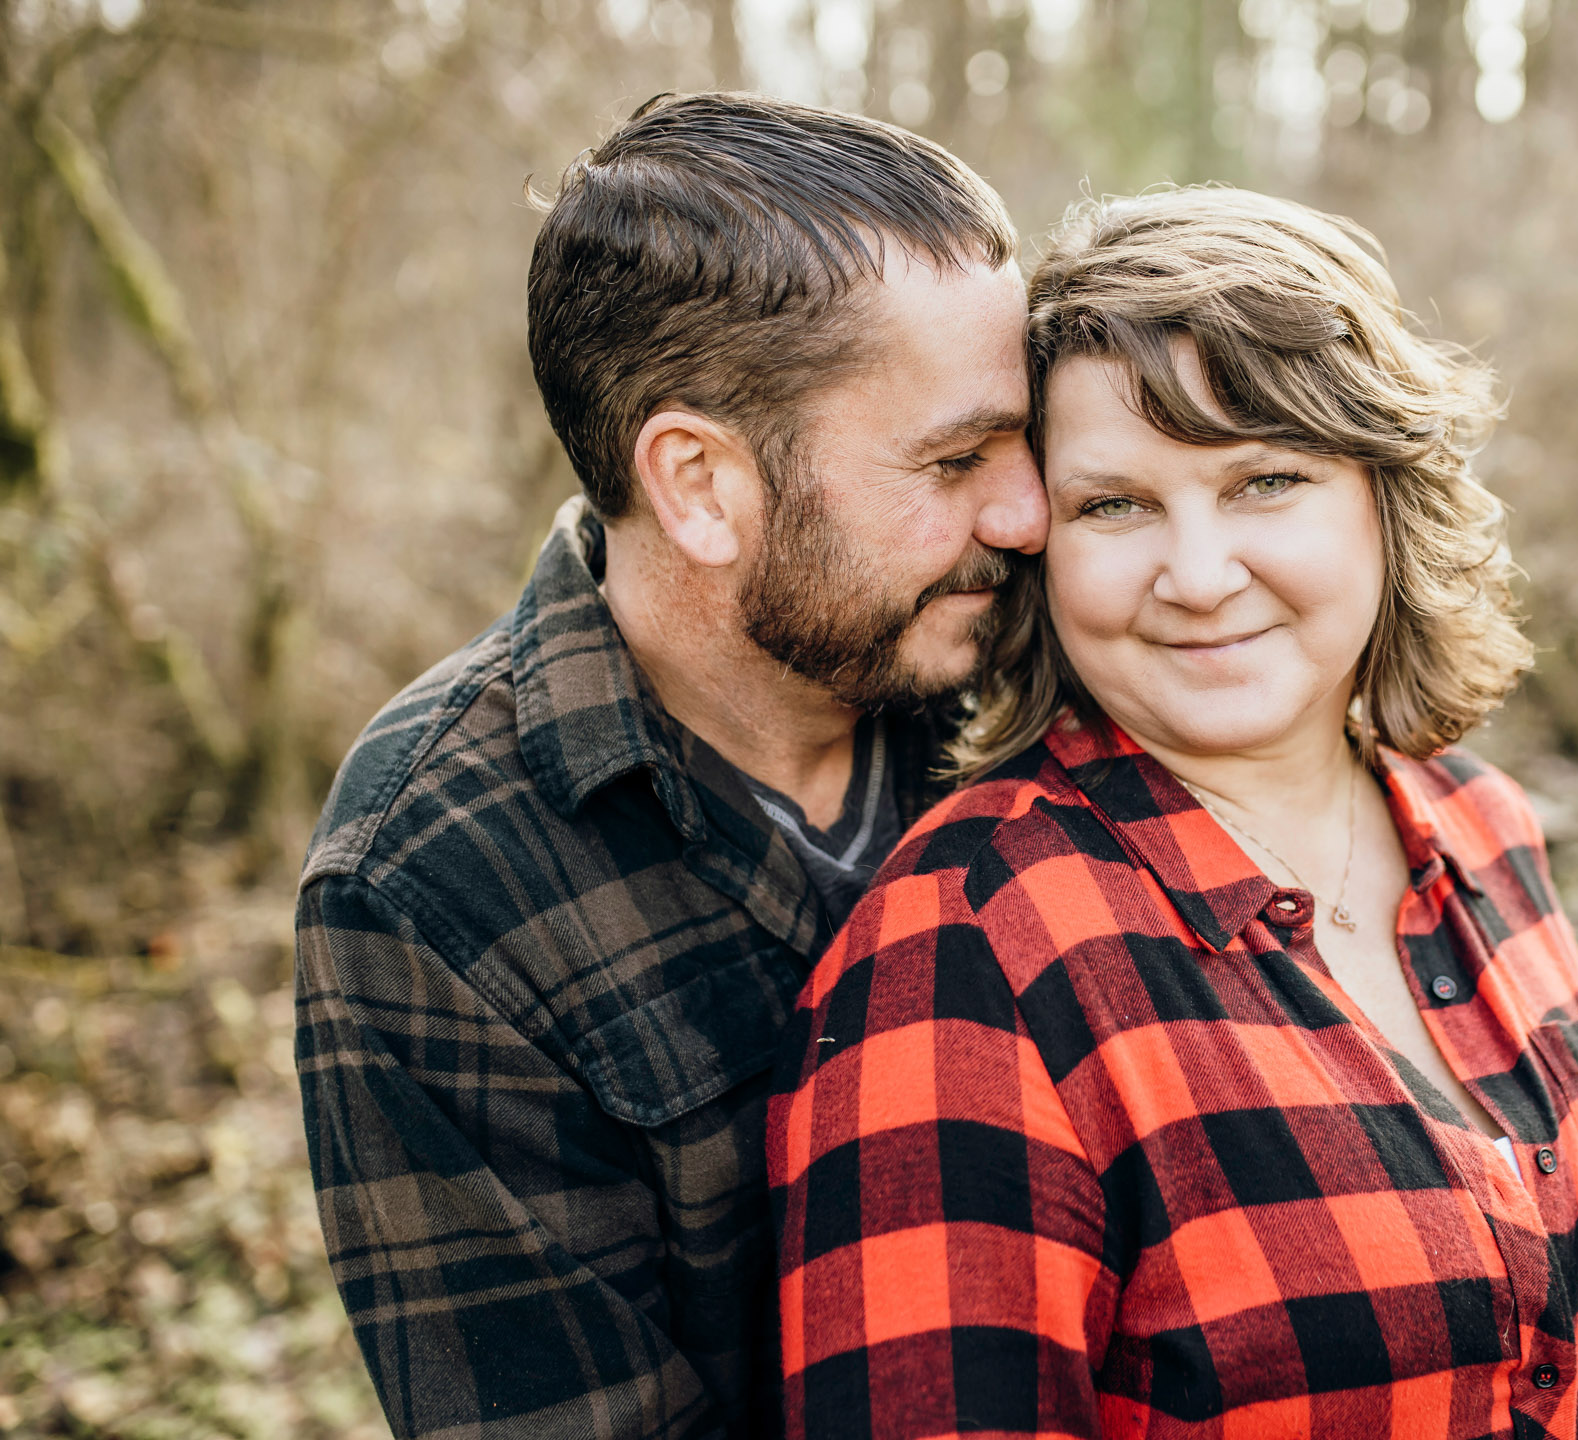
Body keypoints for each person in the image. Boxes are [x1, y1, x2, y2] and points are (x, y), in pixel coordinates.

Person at [770, 188, 1578, 1439]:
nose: (1197, 578)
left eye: (1263, 480)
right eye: (1114, 505)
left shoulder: (1480, 824)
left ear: (1384, 494)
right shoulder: (967, 950)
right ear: (1040, 545)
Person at [293, 93, 1045, 1440]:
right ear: (699, 483)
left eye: (1023, 438)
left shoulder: (1036, 672)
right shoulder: (431, 874)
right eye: (954, 458)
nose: (1027, 510)